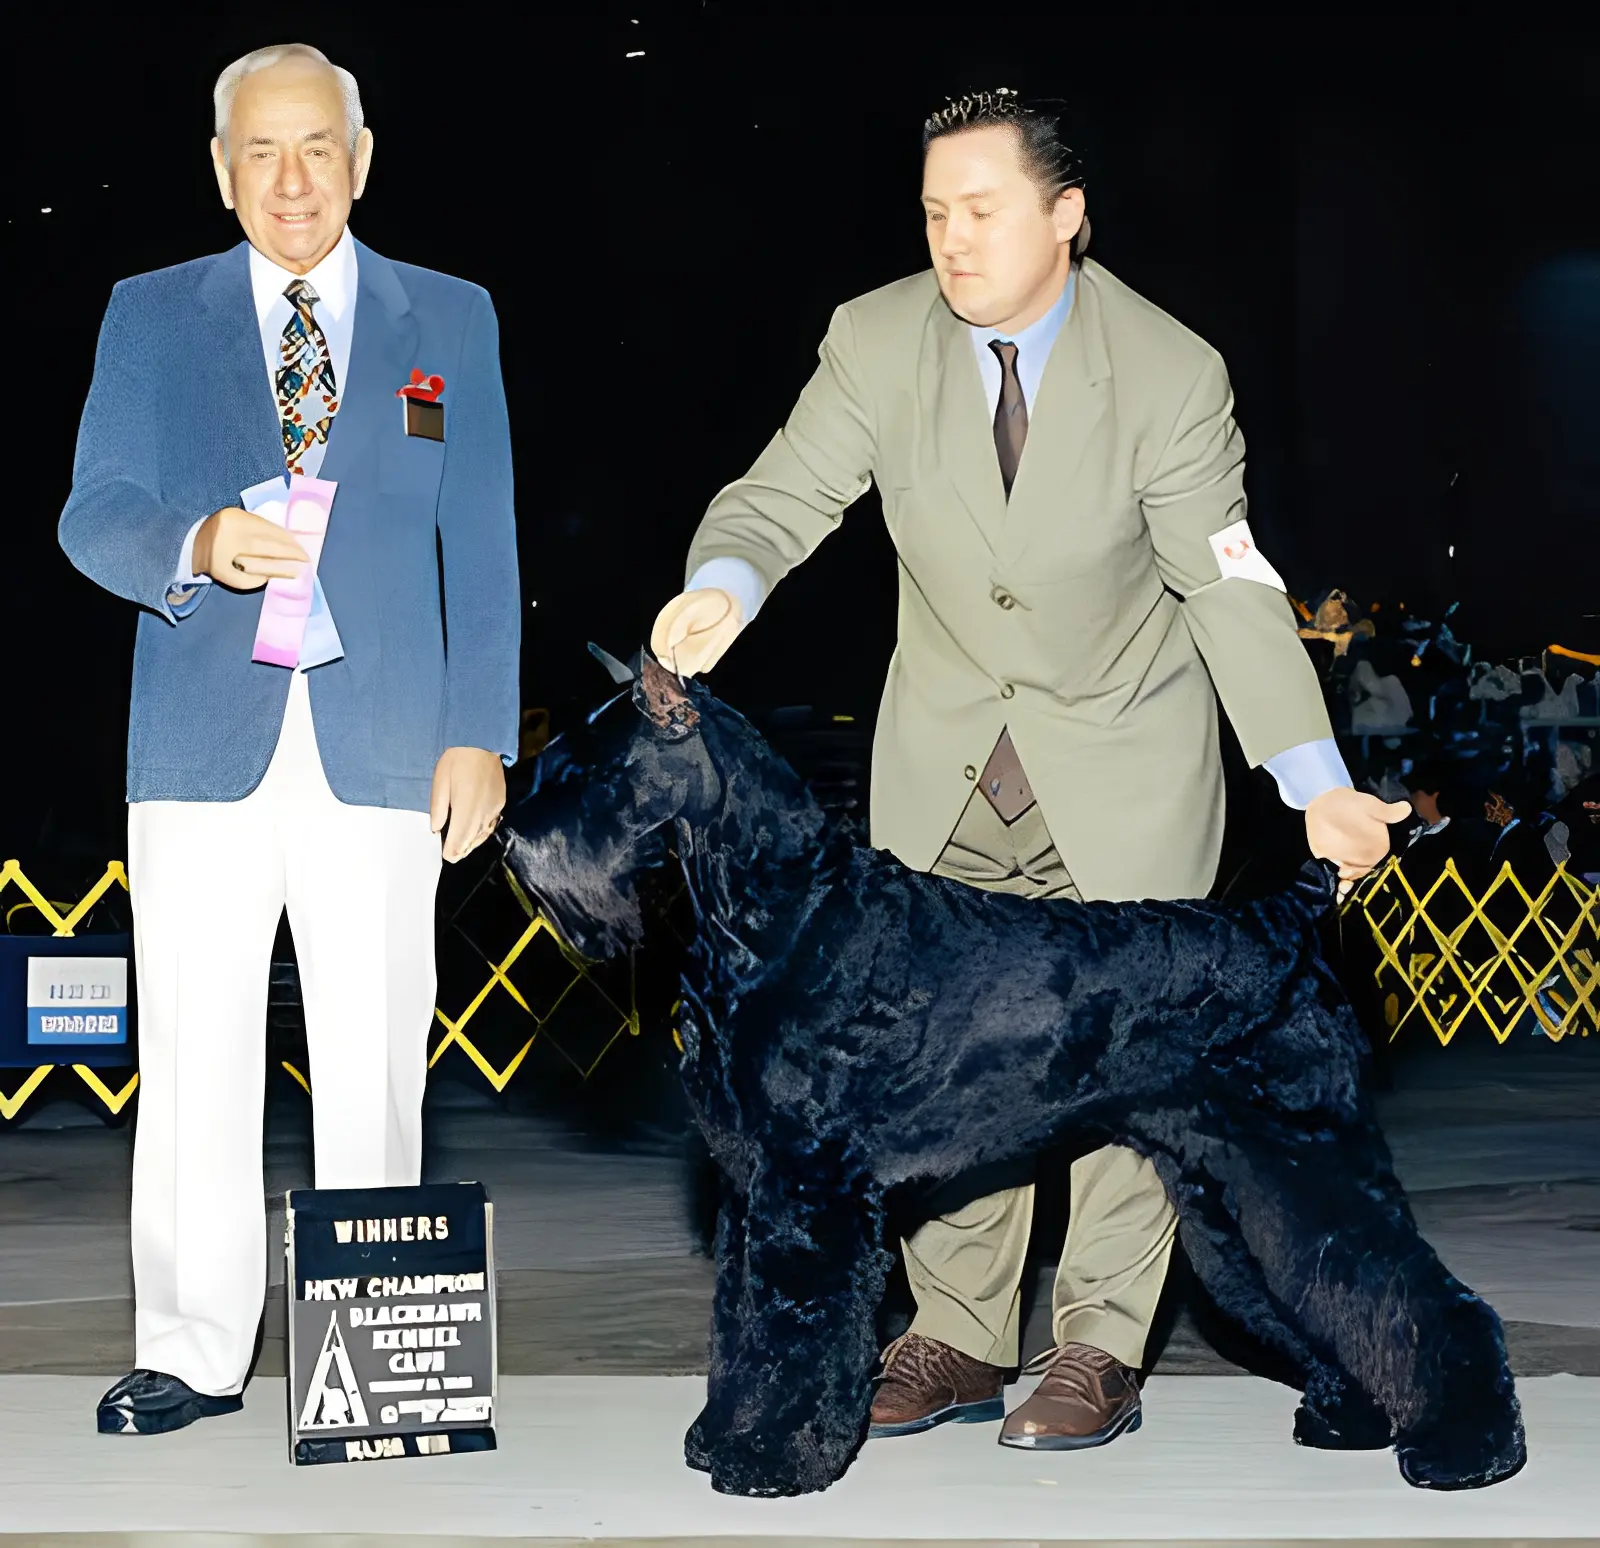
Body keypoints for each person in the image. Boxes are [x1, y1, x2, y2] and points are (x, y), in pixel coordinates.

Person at [651, 89, 1405, 1453]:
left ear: (1066, 216)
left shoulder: (1171, 372)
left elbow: (1231, 589)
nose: (951, 238)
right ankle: (952, 1331)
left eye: (982, 210)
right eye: (934, 211)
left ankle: (1100, 1348)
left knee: (1137, 1072)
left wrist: (1315, 779)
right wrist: (726, 580)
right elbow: (778, 494)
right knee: (940, 1062)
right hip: (943, 764)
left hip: (1122, 758)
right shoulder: (875, 340)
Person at [58, 42, 519, 1435]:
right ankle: (190, 1354)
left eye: (317, 146)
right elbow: (94, 511)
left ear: (362, 158)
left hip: (386, 750)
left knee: (379, 1060)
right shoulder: (149, 315)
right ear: (219, 170)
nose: (292, 178)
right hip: (201, 750)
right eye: (260, 151)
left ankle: (379, 1362)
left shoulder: (453, 316)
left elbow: (481, 542)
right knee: (192, 1061)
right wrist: (190, 539)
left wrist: (480, 734)